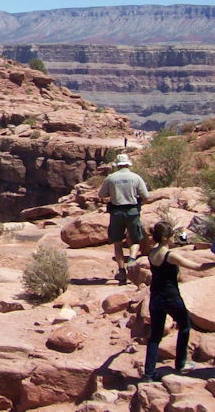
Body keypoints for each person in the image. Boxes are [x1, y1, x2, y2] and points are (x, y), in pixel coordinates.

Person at [142, 221, 215, 382]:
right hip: (171, 297)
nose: (174, 238)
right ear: (165, 237)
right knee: (185, 326)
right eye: (172, 235)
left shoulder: (152, 252)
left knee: (155, 336)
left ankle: (149, 374)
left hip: (155, 297)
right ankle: (180, 363)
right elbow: (197, 267)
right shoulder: (170, 256)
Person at [98, 153, 149, 284]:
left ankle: (121, 271)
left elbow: (102, 194)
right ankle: (131, 260)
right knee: (136, 239)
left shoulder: (111, 178)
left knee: (118, 242)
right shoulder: (135, 177)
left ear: (117, 165)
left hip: (116, 212)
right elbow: (145, 195)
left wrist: (113, 193)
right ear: (128, 164)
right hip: (132, 211)